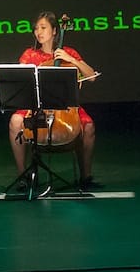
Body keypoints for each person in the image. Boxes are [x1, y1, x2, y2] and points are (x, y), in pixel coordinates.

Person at [7, 11, 100, 192]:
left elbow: (91, 77)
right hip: (37, 106)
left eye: (43, 28)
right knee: (15, 121)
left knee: (88, 126)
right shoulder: (29, 55)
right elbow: (21, 79)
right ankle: (22, 176)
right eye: (36, 29)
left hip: (66, 106)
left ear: (55, 31)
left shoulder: (69, 52)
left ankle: (86, 176)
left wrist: (71, 59)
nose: (38, 32)